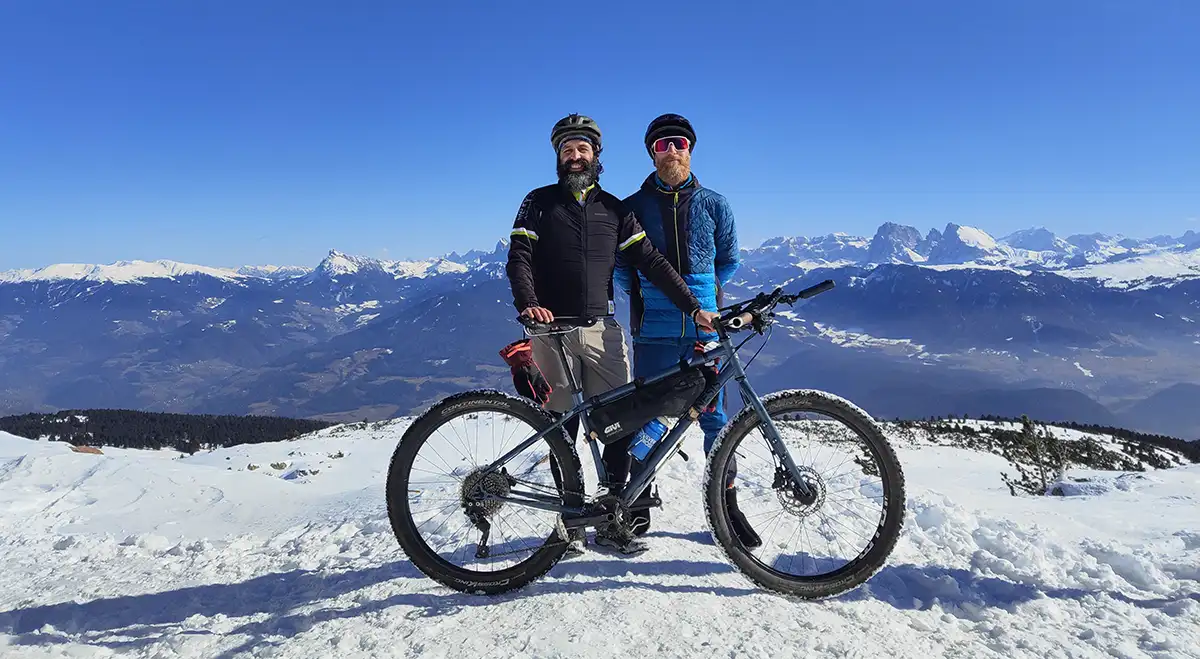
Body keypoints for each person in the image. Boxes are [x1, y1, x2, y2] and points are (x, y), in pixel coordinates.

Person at [506, 113, 720, 554]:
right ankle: (569, 526)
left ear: (595, 155)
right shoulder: (538, 202)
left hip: (601, 330)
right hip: (550, 332)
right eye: (567, 150)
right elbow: (519, 256)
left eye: (582, 149)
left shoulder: (616, 210)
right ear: (558, 158)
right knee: (559, 430)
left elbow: (654, 264)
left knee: (621, 424)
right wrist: (528, 302)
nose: (575, 156)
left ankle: (613, 518)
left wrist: (695, 309)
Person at [616, 113, 761, 548]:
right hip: (654, 331)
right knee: (646, 415)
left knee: (715, 419)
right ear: (651, 153)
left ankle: (726, 505)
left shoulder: (715, 204)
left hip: (706, 328)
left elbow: (727, 261)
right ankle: (638, 499)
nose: (671, 151)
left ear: (690, 148)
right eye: (662, 146)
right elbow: (623, 268)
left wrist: (704, 298)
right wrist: (647, 297)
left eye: (678, 143)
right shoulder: (633, 207)